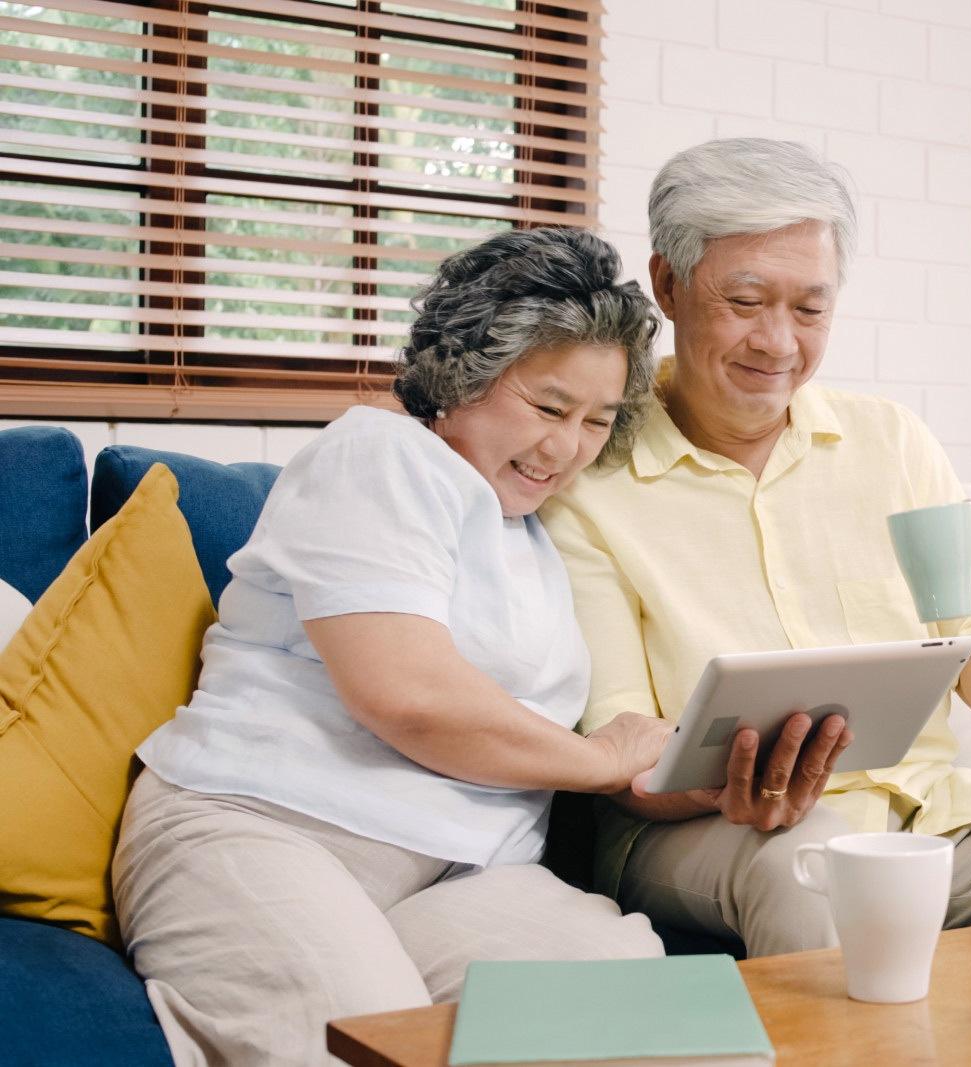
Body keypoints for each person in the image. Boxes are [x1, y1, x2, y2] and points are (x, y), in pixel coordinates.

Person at [540, 139, 971, 958]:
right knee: (818, 862)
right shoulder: (594, 475)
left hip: (930, 807)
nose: (778, 342)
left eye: (810, 309)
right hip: (713, 828)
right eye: (745, 300)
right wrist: (730, 782)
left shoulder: (891, 442)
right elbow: (620, 756)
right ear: (668, 284)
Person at [113, 228, 672, 1066]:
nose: (567, 448)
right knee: (361, 1036)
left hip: (464, 871)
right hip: (265, 826)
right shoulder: (378, 453)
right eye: (549, 407)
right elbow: (405, 692)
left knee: (644, 1016)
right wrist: (599, 758)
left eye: (598, 420)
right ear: (464, 374)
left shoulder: (532, 532)